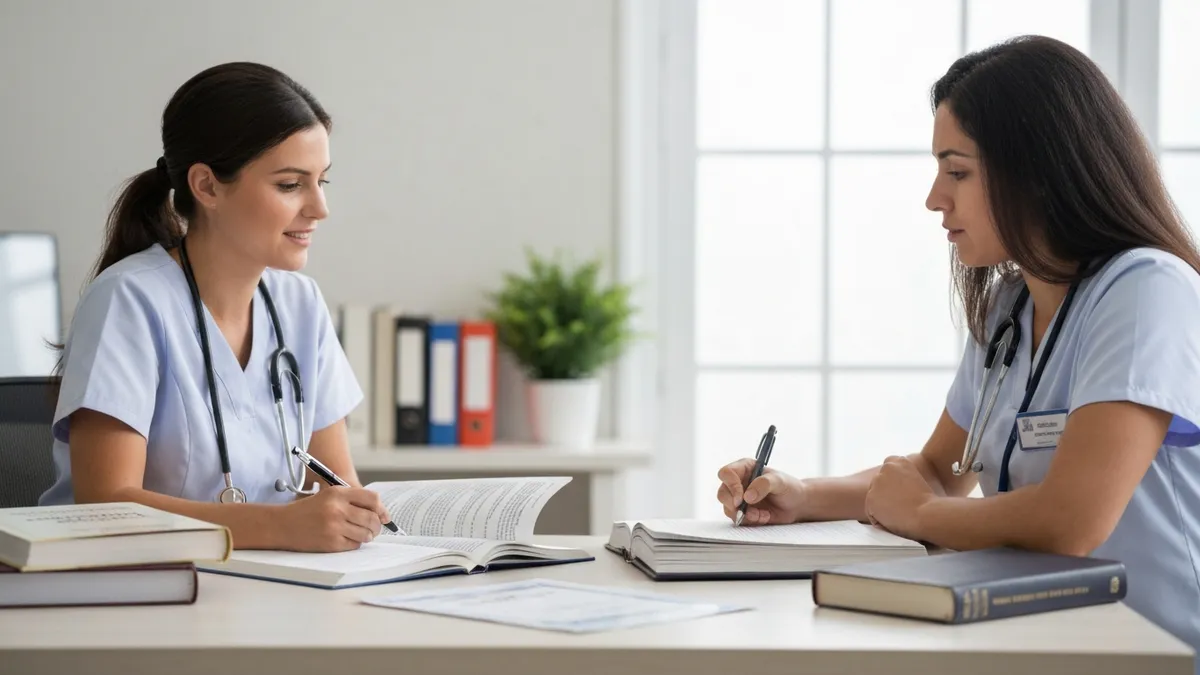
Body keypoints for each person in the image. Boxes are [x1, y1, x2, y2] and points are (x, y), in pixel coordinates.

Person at [717, 35, 1200, 662]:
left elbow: (1071, 524)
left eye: (957, 171)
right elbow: (940, 474)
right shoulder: (1009, 310)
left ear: (1038, 169)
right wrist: (804, 495)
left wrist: (919, 513)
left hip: (1157, 650)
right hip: (1047, 640)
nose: (934, 198)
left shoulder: (1146, 291)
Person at [39, 62, 392, 553]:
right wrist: (279, 527)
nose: (319, 207)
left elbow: (337, 486)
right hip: (125, 591)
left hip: (269, 591)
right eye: (291, 185)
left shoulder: (300, 305)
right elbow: (105, 505)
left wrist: (352, 517)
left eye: (322, 182)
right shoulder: (129, 300)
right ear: (206, 186)